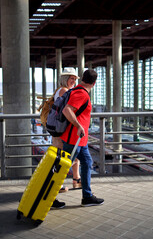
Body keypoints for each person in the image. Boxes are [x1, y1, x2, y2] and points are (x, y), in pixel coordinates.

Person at [61, 69, 104, 206]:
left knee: (87, 163)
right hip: (74, 139)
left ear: (82, 79)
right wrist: (78, 125)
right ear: (94, 83)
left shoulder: (79, 90)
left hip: (80, 140)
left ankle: (87, 196)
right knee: (61, 170)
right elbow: (66, 110)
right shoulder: (81, 93)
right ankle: (48, 197)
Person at [51, 67, 81, 208]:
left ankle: (75, 179)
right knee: (63, 159)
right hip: (62, 132)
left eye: (75, 79)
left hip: (59, 131)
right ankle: (57, 187)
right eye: (71, 78)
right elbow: (67, 110)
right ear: (65, 79)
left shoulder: (60, 90)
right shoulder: (64, 91)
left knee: (68, 157)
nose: (74, 81)